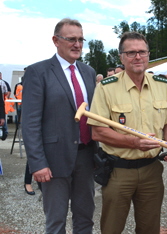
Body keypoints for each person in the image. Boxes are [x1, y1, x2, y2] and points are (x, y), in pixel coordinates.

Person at [87, 31, 167, 234]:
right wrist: (134, 143)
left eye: (142, 52)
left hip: (152, 170)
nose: (137, 57)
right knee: (112, 228)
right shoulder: (106, 88)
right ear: (121, 57)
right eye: (131, 53)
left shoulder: (161, 85)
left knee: (149, 228)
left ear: (148, 55)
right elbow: (98, 132)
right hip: (119, 171)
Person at [22, 18, 97, 233]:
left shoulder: (89, 72)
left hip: (85, 156)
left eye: (81, 39)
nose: (78, 45)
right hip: (53, 161)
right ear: (56, 40)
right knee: (56, 222)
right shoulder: (38, 72)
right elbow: (30, 122)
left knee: (85, 218)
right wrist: (37, 163)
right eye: (71, 39)